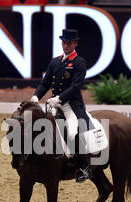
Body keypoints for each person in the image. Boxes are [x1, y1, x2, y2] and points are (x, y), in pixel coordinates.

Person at [30, 29, 93, 183]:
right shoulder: (55, 61)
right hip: (54, 103)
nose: (66, 46)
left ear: (75, 44)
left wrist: (58, 98)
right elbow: (45, 83)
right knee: (35, 123)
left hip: (71, 105)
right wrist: (36, 96)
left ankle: (84, 167)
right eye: (64, 43)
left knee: (72, 133)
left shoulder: (79, 62)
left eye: (69, 43)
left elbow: (76, 86)